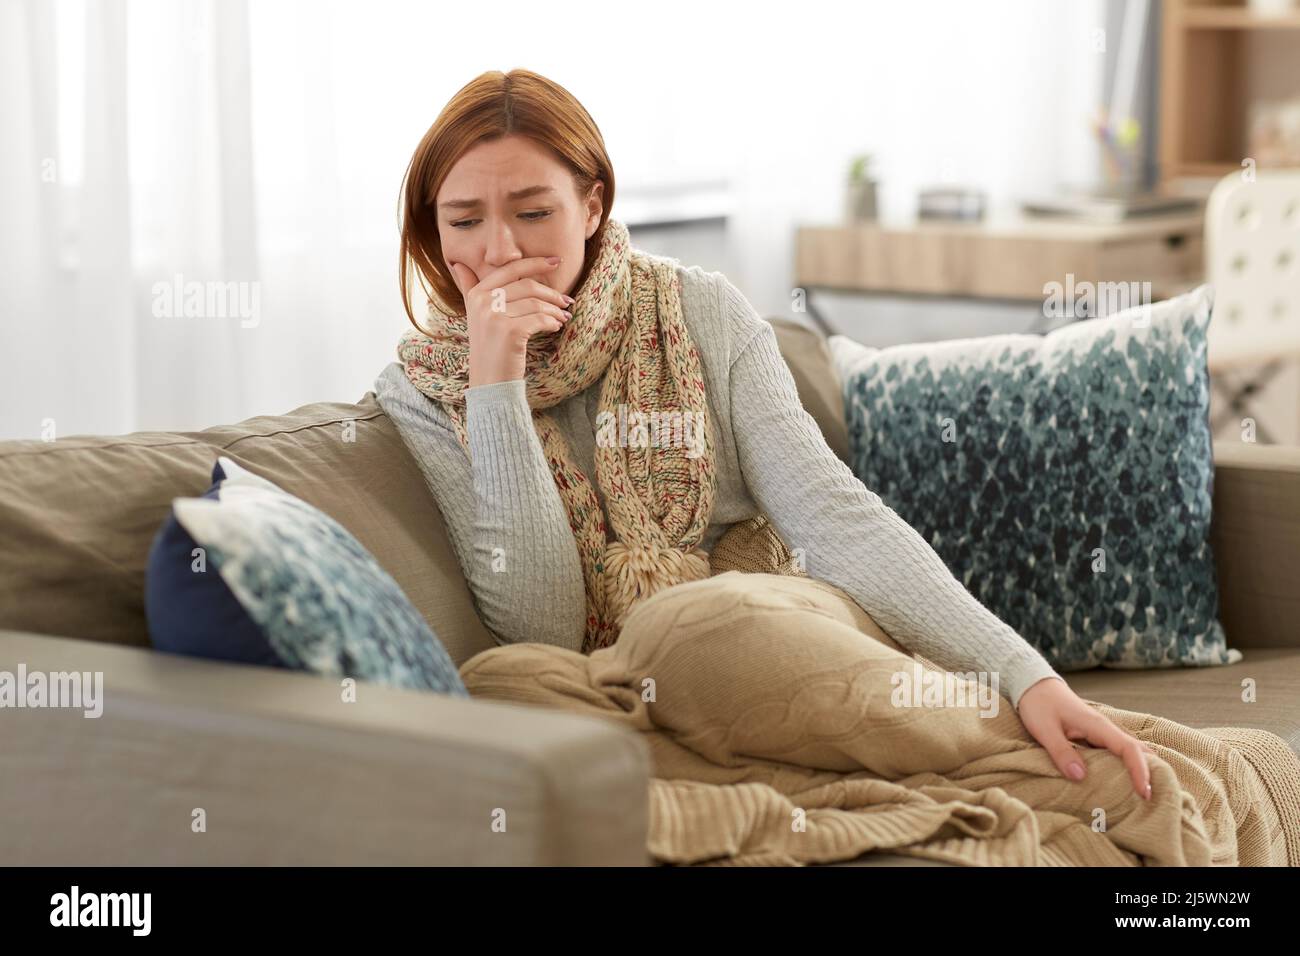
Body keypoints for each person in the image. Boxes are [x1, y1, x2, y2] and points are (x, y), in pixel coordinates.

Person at [373, 68, 1154, 802]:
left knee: (695, 629)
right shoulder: (424, 390)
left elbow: (833, 518)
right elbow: (541, 624)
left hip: (774, 639)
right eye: (465, 220)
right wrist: (495, 385)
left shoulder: (702, 310)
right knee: (511, 681)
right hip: (611, 695)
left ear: (594, 205)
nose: (500, 250)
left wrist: (1026, 676)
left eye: (533, 212)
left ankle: (1001, 745)